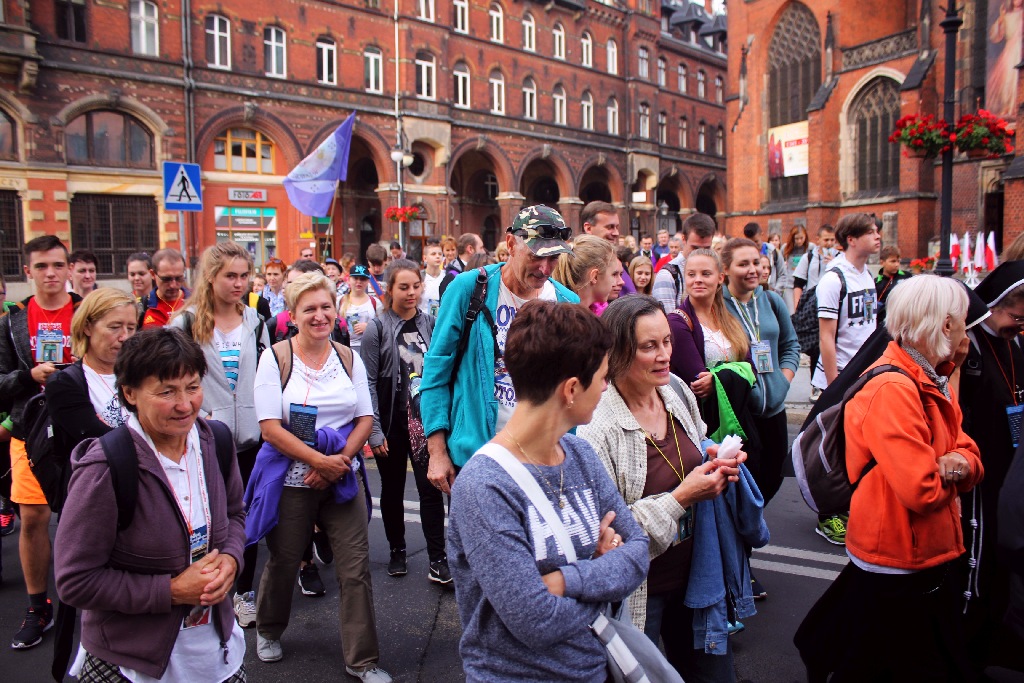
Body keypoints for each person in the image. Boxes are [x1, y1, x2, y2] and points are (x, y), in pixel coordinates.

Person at [448, 300, 649, 682]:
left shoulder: (581, 455)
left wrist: (565, 581)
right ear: (571, 388)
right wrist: (600, 567)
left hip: (594, 669)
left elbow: (638, 552)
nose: (606, 388)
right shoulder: (485, 487)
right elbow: (534, 620)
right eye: (604, 377)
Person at [795, 275, 982, 682]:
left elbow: (968, 450)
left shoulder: (931, 375)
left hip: (917, 551)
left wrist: (959, 463)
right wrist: (955, 467)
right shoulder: (895, 388)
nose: (967, 331)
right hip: (899, 554)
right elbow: (923, 489)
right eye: (963, 321)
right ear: (946, 324)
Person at [578, 295, 768, 679]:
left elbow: (697, 440)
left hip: (697, 576)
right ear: (617, 352)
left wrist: (715, 455)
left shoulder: (676, 391)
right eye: (649, 346)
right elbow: (607, 537)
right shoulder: (598, 428)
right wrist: (683, 497)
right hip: (640, 592)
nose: (665, 354)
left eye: (667, 341)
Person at [54, 327, 248, 682]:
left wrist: (232, 560)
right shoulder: (106, 466)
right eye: (166, 392)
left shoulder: (215, 442)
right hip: (131, 663)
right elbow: (75, 580)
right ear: (129, 393)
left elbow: (235, 513)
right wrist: (170, 591)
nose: (185, 404)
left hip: (216, 655)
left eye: (192, 387)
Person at [249, 272, 392, 682]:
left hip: (342, 476)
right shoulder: (275, 358)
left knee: (355, 568)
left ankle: (362, 660)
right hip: (292, 480)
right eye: (309, 309)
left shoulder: (347, 357)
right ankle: (269, 628)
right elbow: (270, 427)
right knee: (285, 558)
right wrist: (317, 461)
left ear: (337, 309)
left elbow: (365, 417)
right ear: (292, 314)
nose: (319, 315)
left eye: (326, 306)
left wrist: (338, 463)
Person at [421, 206, 578, 495]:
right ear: (510, 245)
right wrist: (437, 451)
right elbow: (435, 371)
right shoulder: (469, 289)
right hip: (479, 457)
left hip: (544, 460)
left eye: (553, 258)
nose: (544, 269)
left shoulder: (566, 302)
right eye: (535, 256)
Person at [168, 242, 271, 629]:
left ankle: (243, 591)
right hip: (203, 437)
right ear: (211, 277)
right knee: (205, 519)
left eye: (245, 276)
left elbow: (266, 374)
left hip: (252, 436)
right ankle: (204, 589)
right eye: (231, 276)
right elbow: (172, 376)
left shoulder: (256, 320)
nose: (239, 283)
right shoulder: (185, 322)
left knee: (244, 516)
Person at [3, 236, 81, 650]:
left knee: (86, 513)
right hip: (29, 429)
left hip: (82, 426)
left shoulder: (87, 311)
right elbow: (0, 382)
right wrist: (29, 376)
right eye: (41, 266)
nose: (50, 273)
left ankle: (90, 596)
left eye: (57, 265)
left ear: (68, 268)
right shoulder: (11, 319)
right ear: (28, 271)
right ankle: (38, 605)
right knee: (32, 519)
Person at [360, 260, 448, 582]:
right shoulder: (378, 328)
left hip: (425, 422)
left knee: (429, 488)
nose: (411, 293)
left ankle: (438, 558)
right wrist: (375, 430)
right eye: (403, 287)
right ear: (389, 289)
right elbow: (368, 382)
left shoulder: (431, 324)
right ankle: (398, 549)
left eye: (415, 286)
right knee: (394, 488)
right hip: (392, 422)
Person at [721, 238, 798, 598]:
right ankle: (741, 564)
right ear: (726, 270)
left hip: (776, 409)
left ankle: (740, 546)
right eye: (743, 264)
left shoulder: (772, 301)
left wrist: (784, 380)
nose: (753, 270)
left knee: (769, 481)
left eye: (756, 262)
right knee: (745, 487)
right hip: (744, 414)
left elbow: (791, 345)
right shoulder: (720, 306)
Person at [957, 260, 1024, 674]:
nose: (1019, 326)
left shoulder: (1013, 345)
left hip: (1008, 470)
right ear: (996, 303)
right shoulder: (971, 346)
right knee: (977, 564)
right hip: (977, 477)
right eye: (1016, 316)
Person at [49, 288, 137, 493]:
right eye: (114, 327)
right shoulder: (65, 383)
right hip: (93, 492)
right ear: (88, 326)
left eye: (131, 328)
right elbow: (97, 440)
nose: (124, 336)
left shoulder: (143, 374)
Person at [653, 213, 717, 313]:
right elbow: (666, 323)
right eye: (695, 248)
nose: (700, 254)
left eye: (706, 249)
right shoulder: (667, 275)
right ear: (683, 239)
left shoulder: (715, 270)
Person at [552, 234, 623, 316]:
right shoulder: (572, 322)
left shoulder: (557, 311)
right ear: (594, 276)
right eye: (613, 274)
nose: (621, 282)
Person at [582, 201, 636, 295]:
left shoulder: (618, 262)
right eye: (610, 227)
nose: (616, 233)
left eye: (616, 227)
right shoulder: (579, 265)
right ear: (588, 228)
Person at [140, 248, 190, 329]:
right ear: (153, 274)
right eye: (166, 279)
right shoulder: (143, 306)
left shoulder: (196, 302)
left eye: (178, 278)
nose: (173, 285)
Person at [791, 224, 837, 310]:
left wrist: (835, 264)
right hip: (811, 304)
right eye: (826, 240)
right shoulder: (809, 257)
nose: (829, 243)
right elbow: (798, 283)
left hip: (833, 303)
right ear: (818, 240)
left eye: (832, 240)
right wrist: (797, 307)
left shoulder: (840, 258)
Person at [339, 264, 379, 351]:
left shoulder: (375, 302)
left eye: (362, 279)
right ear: (349, 279)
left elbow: (384, 326)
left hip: (369, 349)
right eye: (355, 278)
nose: (359, 282)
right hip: (344, 348)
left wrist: (369, 327)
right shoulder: (339, 301)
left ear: (368, 281)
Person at [874, 245, 911, 325]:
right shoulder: (876, 283)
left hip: (903, 322)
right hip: (883, 323)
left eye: (898, 261)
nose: (897, 264)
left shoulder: (907, 277)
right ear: (882, 262)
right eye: (893, 261)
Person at [782, 226, 809, 312]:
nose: (799, 241)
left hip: (804, 285)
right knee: (791, 312)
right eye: (796, 239)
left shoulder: (810, 248)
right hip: (789, 285)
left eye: (801, 238)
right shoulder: (786, 248)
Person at [419, 242, 445, 317]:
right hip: (422, 319)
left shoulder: (446, 277)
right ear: (425, 258)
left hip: (441, 320)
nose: (437, 257)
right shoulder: (419, 277)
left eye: (440, 254)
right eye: (433, 254)